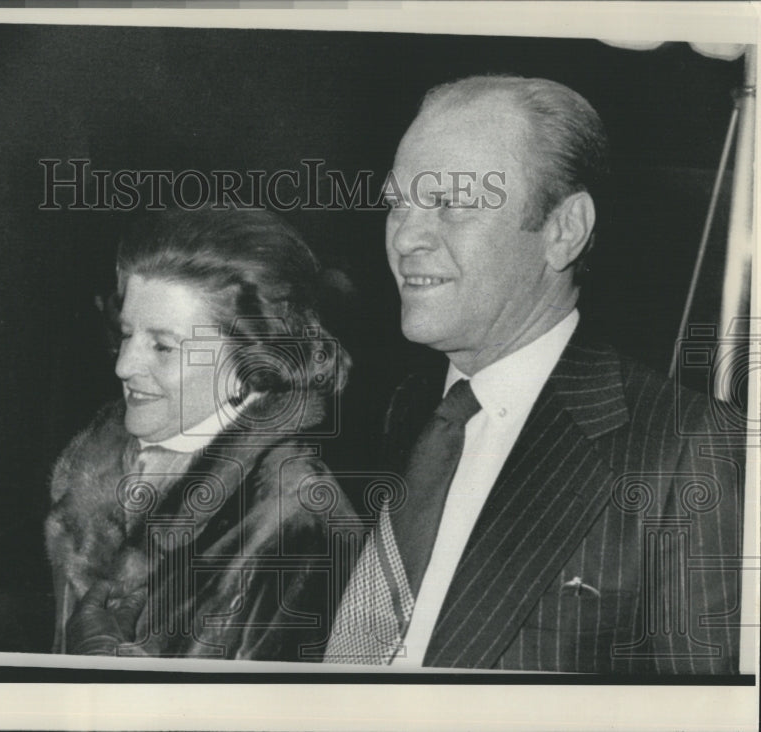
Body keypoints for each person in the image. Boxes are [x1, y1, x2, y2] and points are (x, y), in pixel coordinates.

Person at [324, 75, 743, 673]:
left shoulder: (685, 449)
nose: (407, 237)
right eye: (399, 203)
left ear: (563, 230)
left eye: (455, 203)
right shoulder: (405, 411)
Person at [45, 208, 355, 661]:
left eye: (163, 346)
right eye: (126, 333)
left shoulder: (296, 519)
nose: (123, 366)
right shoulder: (109, 469)